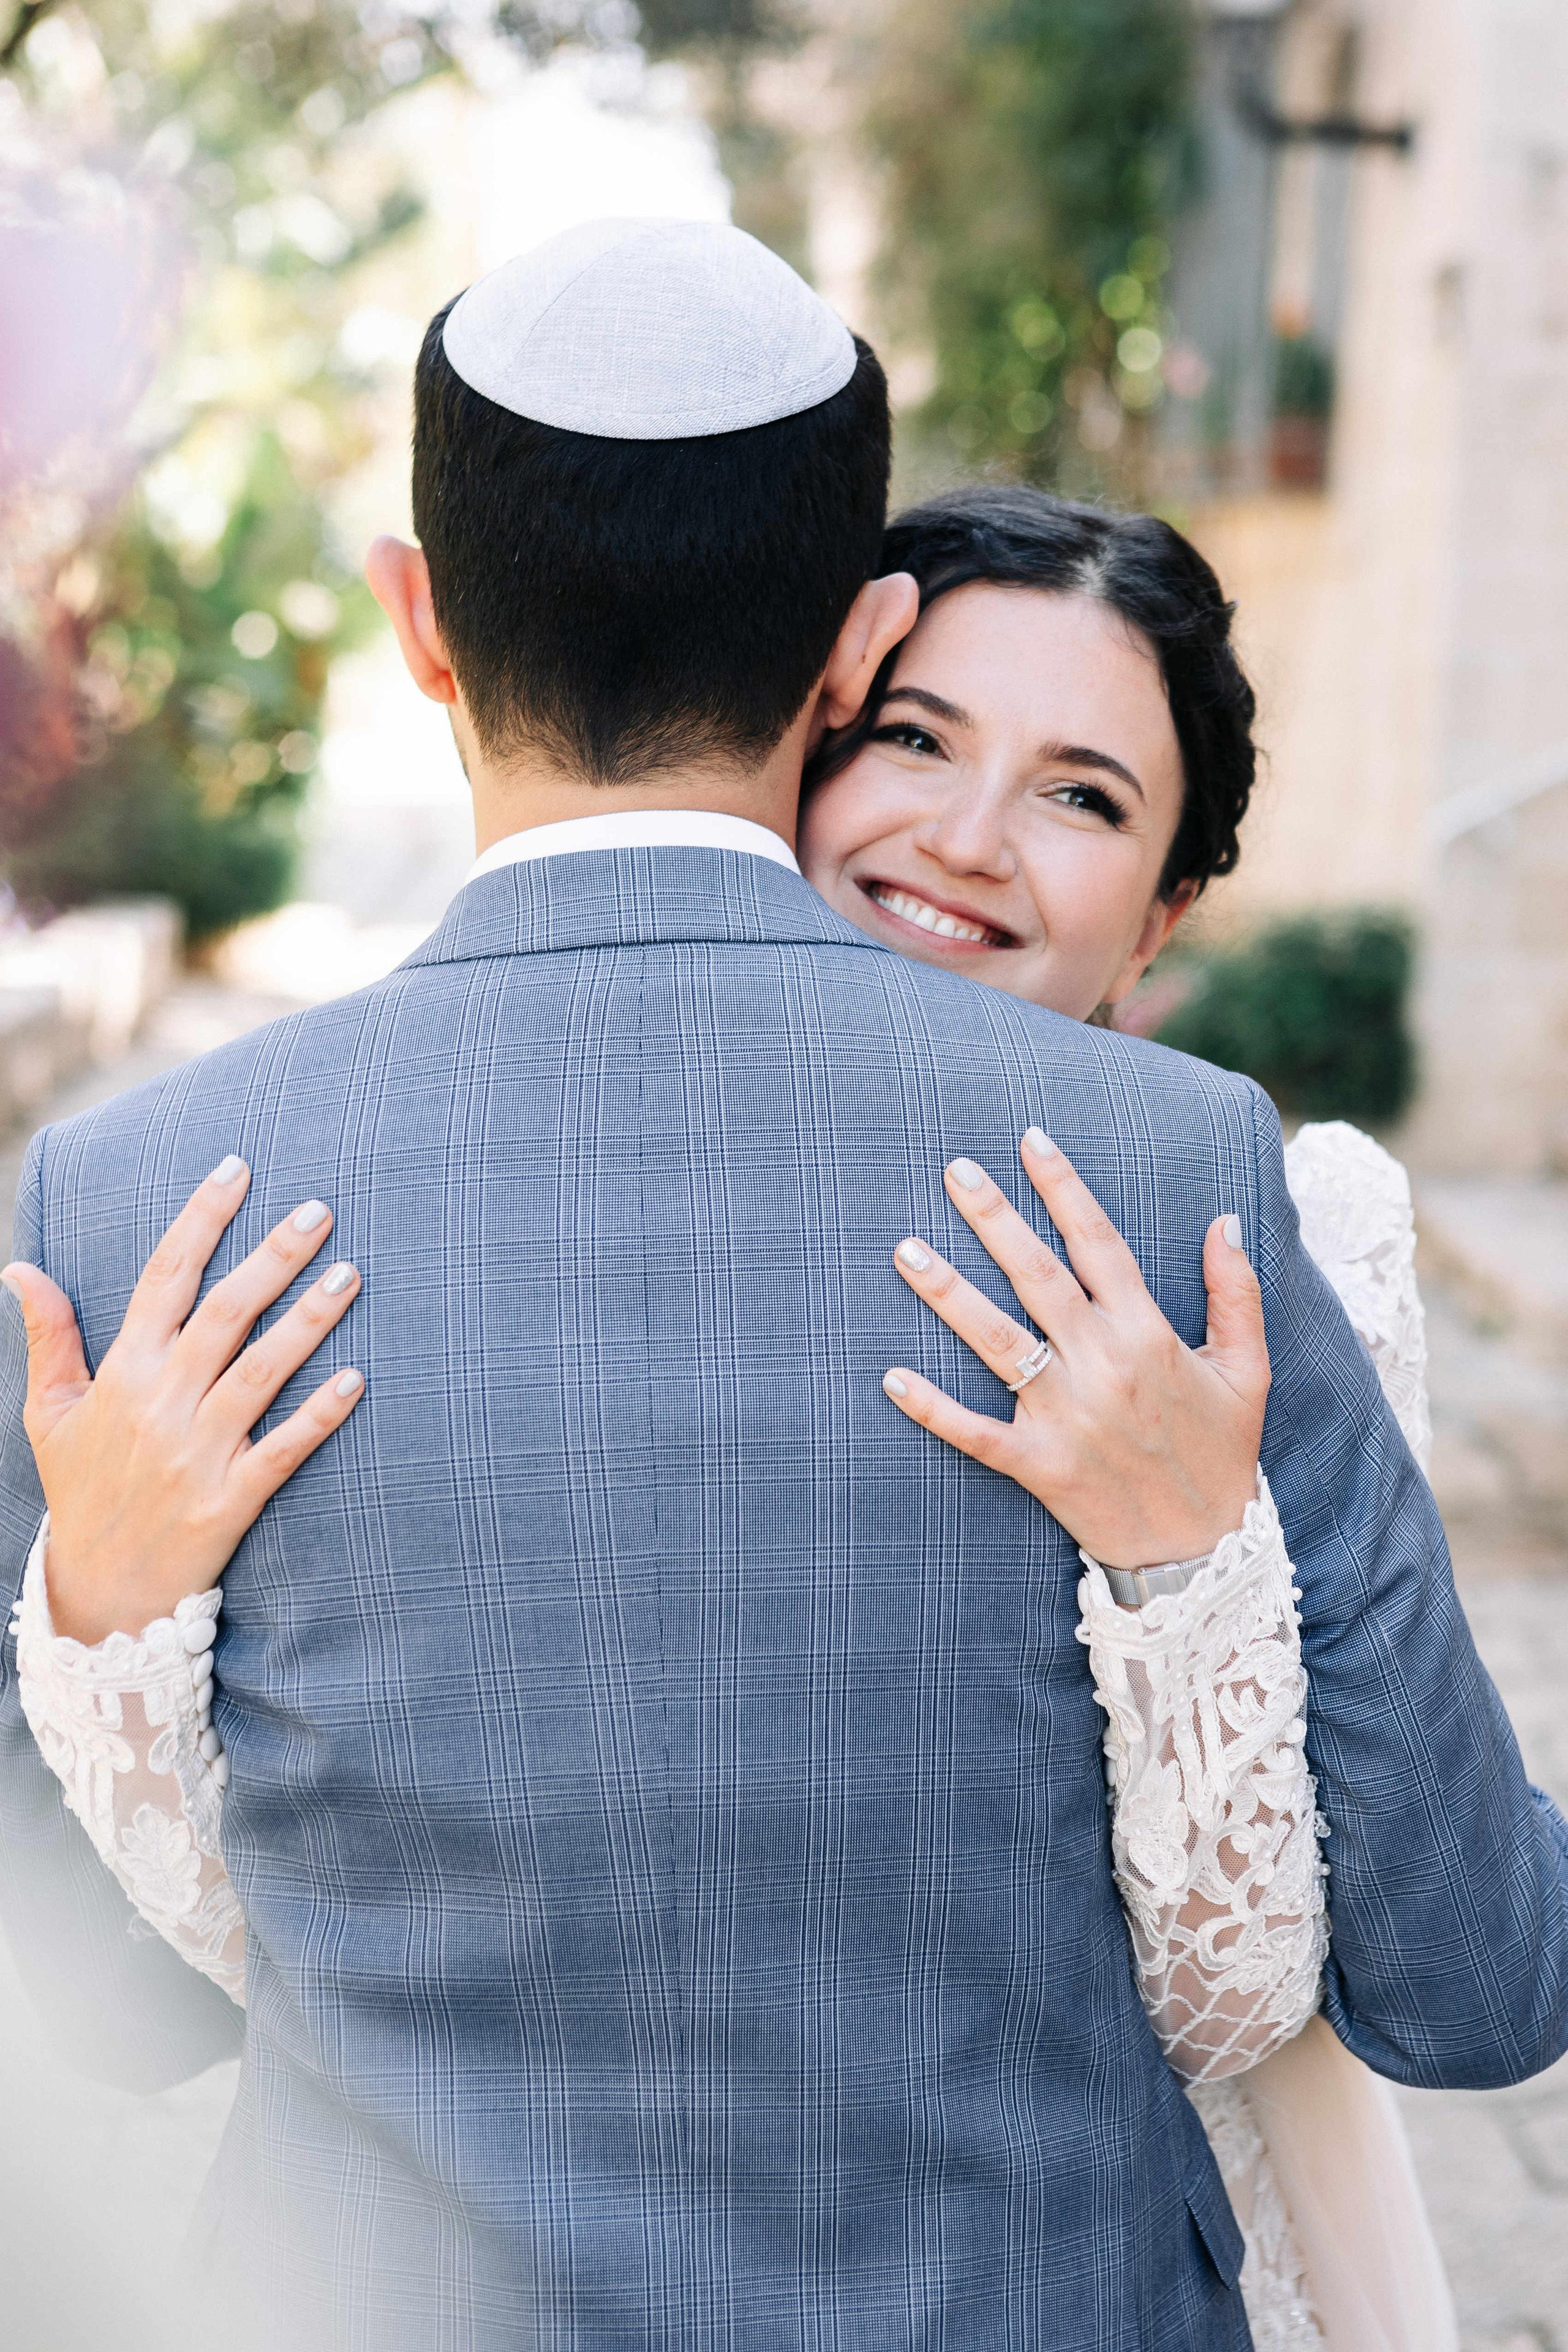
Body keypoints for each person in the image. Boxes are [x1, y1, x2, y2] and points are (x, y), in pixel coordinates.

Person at [2, 220, 1566, 2348]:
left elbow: (95, 2032)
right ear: (853, 652)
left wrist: (100, 1619)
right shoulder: (1164, 1184)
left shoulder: (129, 1214)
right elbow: (1486, 1983)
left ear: (417, 619)